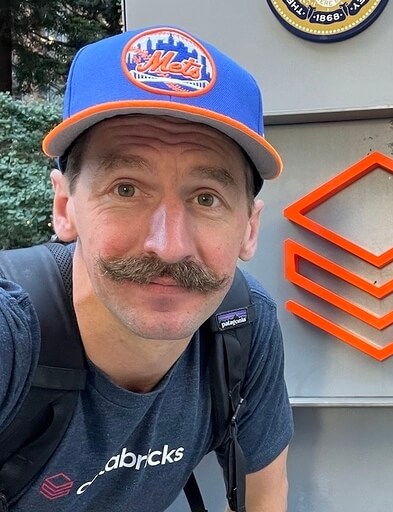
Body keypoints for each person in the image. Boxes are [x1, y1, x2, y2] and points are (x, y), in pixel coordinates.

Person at [0, 26, 293, 511]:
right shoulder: (12, 339)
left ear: (249, 228)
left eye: (206, 198)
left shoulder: (241, 326)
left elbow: (264, 498)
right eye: (127, 189)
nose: (169, 246)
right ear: (65, 207)